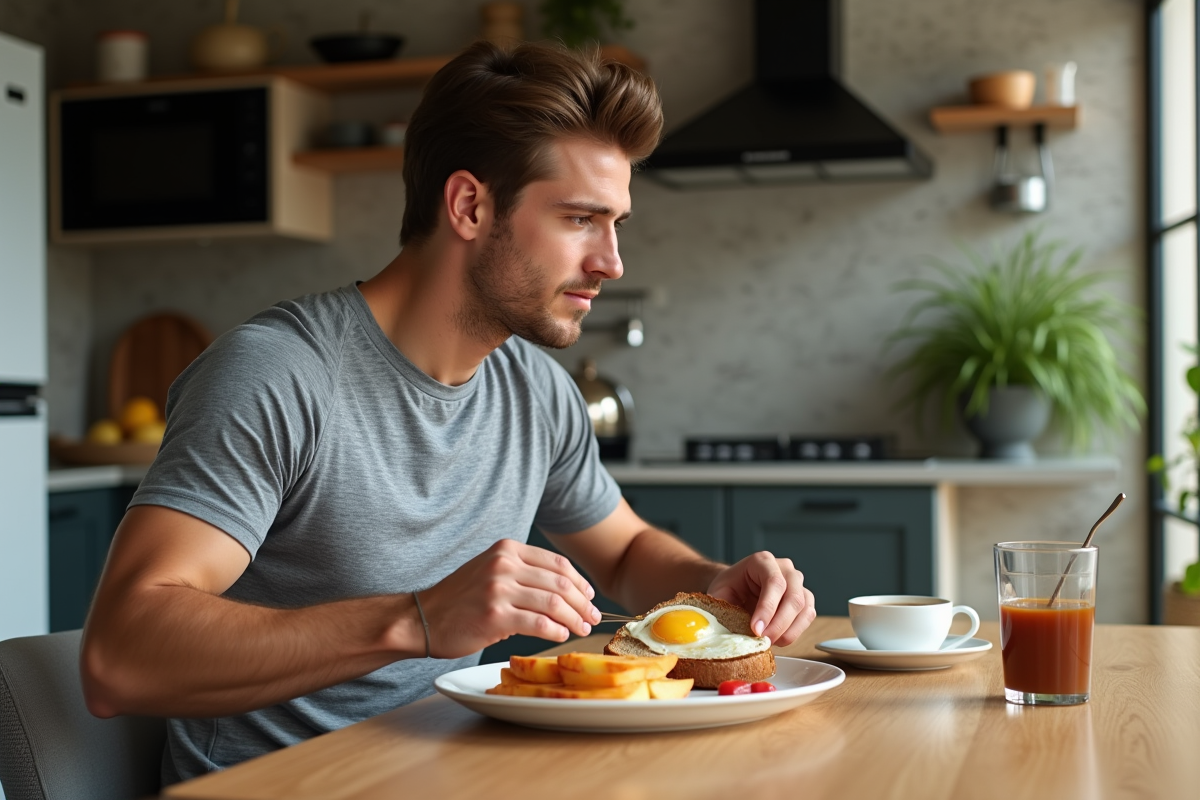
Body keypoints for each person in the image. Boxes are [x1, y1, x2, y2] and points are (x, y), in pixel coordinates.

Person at [80, 41, 817, 784]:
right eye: (580, 220)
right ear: (470, 205)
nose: (612, 261)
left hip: (448, 772)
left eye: (616, 223)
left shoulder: (536, 389)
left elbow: (623, 554)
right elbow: (120, 658)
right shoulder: (278, 375)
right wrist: (417, 618)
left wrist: (711, 586)